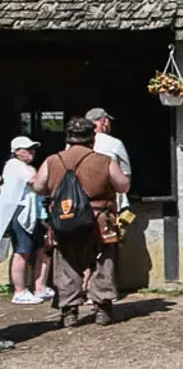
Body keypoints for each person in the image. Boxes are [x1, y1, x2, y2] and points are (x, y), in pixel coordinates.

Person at [30, 118, 130, 327]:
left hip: (64, 218)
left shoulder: (53, 160)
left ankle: (69, 312)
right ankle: (103, 308)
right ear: (92, 139)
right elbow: (123, 186)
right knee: (103, 261)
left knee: (66, 263)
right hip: (99, 219)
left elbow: (39, 187)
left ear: (68, 138)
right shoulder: (104, 161)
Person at [0, 136, 52, 304]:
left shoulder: (26, 167)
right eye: (27, 149)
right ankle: (20, 291)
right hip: (21, 212)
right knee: (22, 251)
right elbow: (36, 182)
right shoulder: (15, 166)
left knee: (42, 249)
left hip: (35, 212)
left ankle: (40, 288)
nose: (32, 152)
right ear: (16, 151)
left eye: (33, 149)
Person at [86, 108, 131, 212]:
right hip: (110, 202)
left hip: (81, 201)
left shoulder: (72, 145)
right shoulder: (115, 143)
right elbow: (126, 175)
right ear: (104, 121)